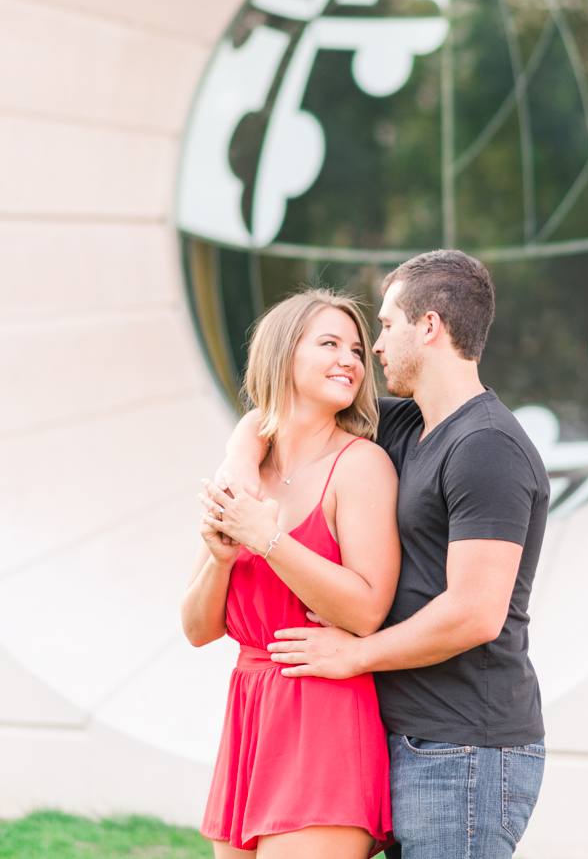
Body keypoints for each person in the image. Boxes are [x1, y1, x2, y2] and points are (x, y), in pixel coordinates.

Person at [218, 250, 550, 859]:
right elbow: (281, 417)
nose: (373, 348)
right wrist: (240, 457)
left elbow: (476, 613)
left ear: (429, 328)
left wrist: (356, 655)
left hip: (466, 748)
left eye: (388, 325)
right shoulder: (405, 427)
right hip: (408, 737)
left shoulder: (488, 447)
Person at [182, 288, 399, 859]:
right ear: (282, 354)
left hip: (323, 714)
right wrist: (222, 561)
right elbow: (197, 628)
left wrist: (268, 540)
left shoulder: (362, 465)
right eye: (329, 343)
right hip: (251, 713)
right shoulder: (243, 471)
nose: (351, 359)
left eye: (356, 348)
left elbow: (368, 609)